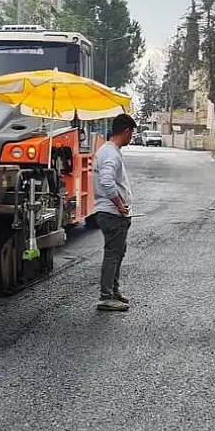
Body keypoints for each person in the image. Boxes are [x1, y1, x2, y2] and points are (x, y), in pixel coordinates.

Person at [94, 113, 136, 311]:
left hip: (113, 213)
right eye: (131, 133)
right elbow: (107, 181)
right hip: (112, 213)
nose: (131, 137)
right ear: (126, 131)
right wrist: (119, 205)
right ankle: (106, 297)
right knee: (112, 254)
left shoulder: (108, 150)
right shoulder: (111, 153)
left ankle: (114, 291)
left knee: (118, 252)